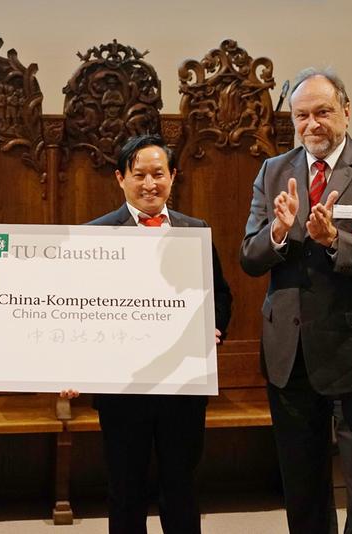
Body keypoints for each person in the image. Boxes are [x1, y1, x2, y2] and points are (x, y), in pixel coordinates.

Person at [240, 68, 352, 533]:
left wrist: (335, 240)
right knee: (302, 483)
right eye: (301, 116)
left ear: (346, 112)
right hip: (288, 353)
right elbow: (250, 258)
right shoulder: (273, 171)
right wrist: (277, 232)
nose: (311, 124)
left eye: (323, 112)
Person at [63, 134, 232, 534]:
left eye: (159, 174)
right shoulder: (96, 234)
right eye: (139, 175)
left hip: (184, 384)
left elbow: (220, 294)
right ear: (120, 178)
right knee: (125, 490)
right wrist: (71, 365)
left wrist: (215, 325)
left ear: (174, 177)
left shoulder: (196, 230)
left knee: (182, 487)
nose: (149, 183)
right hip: (123, 388)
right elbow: (77, 306)